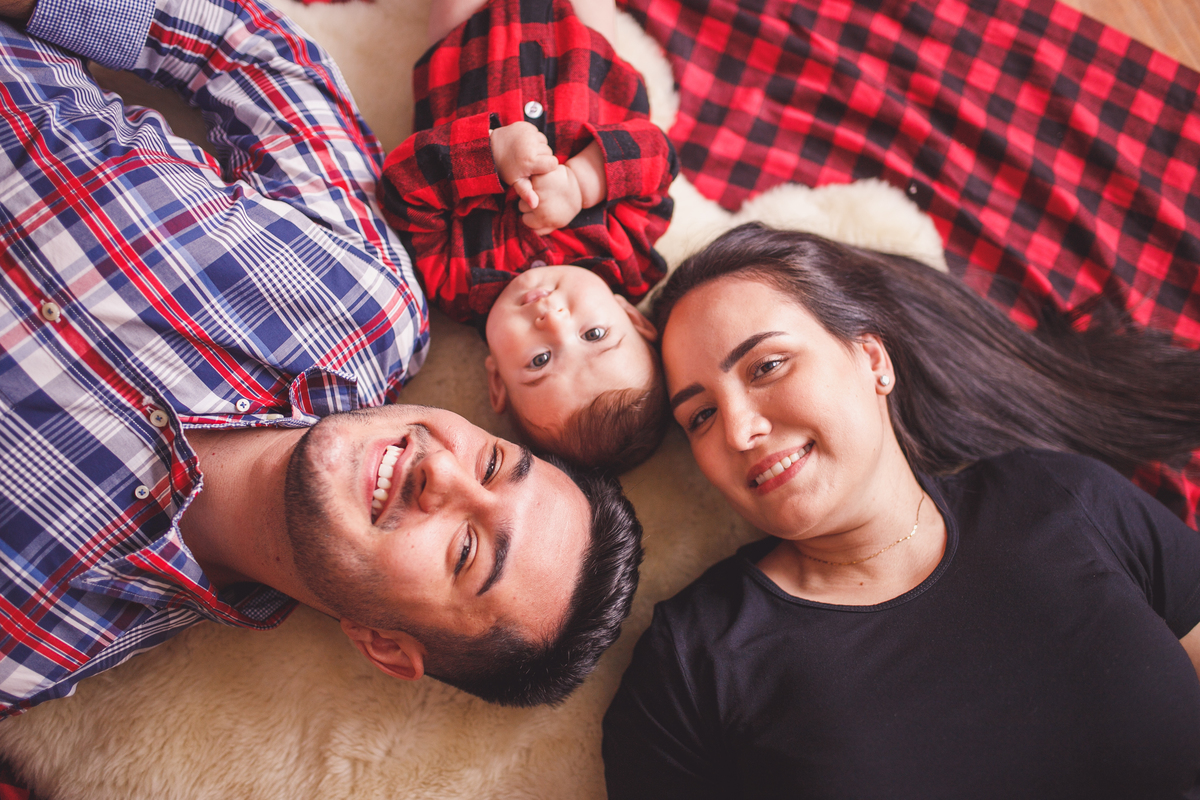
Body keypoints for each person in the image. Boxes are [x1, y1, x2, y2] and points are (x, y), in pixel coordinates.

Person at [0, 0, 642, 718]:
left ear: (385, 646)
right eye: (491, 463)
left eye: (466, 551)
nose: (441, 472)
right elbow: (252, 55)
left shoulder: (34, 643)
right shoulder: (368, 302)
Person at [602, 224, 1200, 798]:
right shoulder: (692, 664)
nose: (738, 431)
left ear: (873, 360)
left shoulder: (1062, 496)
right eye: (701, 416)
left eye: (767, 366)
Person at [377, 0, 678, 471]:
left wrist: (489, 154)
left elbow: (401, 190)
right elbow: (657, 156)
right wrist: (582, 182)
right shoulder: (625, 256)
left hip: (466, 50)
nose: (552, 320)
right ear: (631, 317)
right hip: (582, 49)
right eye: (594, 333)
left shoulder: (454, 284)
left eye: (539, 360)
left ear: (496, 379)